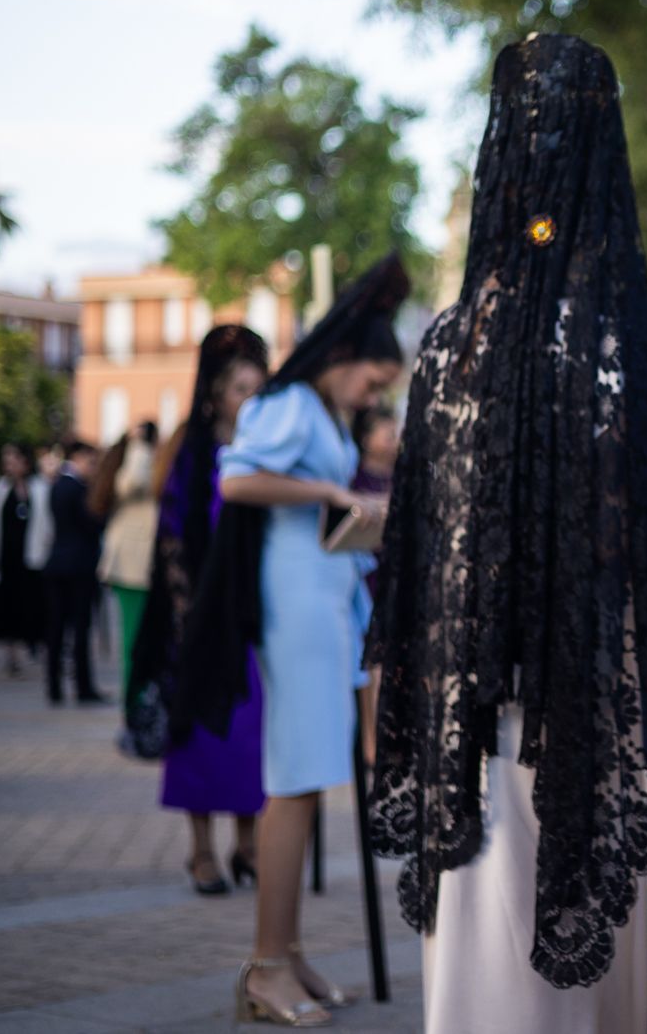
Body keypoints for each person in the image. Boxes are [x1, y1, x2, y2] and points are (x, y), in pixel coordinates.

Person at [367, 35, 647, 1034]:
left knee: (488, 957)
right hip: (574, 699)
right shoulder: (603, 342)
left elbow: (422, 539)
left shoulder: (448, 347)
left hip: (476, 705)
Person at [175, 256, 408, 1026]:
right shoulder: (288, 404)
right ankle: (267, 963)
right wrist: (330, 492)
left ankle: (287, 952)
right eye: (373, 381)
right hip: (297, 606)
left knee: (306, 781)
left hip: (326, 599)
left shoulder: (319, 412)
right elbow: (236, 480)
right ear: (342, 359)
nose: (375, 398)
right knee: (294, 781)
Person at [128, 325, 271, 897]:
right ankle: (201, 850)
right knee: (199, 738)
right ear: (214, 392)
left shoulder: (267, 449)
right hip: (200, 617)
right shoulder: (192, 451)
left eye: (258, 389)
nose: (250, 400)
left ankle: (249, 843)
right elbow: (171, 533)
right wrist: (187, 612)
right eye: (241, 389)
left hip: (254, 614)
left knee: (249, 733)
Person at [93, 422, 160, 699]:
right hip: (132, 567)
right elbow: (134, 483)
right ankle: (132, 706)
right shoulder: (135, 464)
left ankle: (138, 700)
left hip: (138, 566)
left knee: (142, 640)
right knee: (133, 639)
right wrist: (140, 447)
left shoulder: (133, 465)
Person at [0, 444, 48, 676]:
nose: (8, 466)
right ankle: (12, 655)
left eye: (13, 460)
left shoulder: (39, 488)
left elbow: (48, 523)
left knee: (34, 605)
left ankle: (34, 647)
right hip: (5, 558)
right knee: (8, 606)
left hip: (32, 557)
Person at [45, 440, 107, 706]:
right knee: (80, 627)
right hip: (79, 565)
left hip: (57, 562)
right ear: (79, 458)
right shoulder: (79, 488)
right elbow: (91, 524)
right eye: (91, 462)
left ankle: (54, 686)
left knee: (57, 627)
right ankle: (83, 687)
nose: (93, 468)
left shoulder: (57, 485)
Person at [349, 405, 399, 617]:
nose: (396, 441)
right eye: (389, 436)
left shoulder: (403, 477)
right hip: (367, 571)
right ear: (366, 439)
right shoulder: (353, 480)